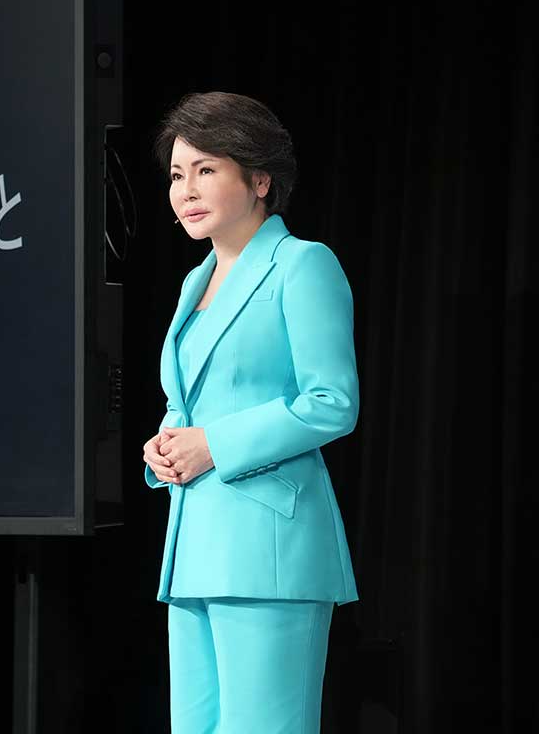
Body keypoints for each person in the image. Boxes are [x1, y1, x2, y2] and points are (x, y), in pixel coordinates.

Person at [142, 91, 360, 733]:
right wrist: (167, 443)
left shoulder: (303, 264)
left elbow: (332, 402)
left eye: (206, 169)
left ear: (260, 180)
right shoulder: (195, 281)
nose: (186, 190)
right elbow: (191, 402)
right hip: (194, 541)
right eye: (177, 174)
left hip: (271, 549)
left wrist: (212, 443)